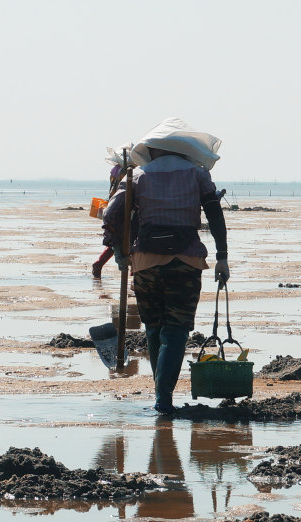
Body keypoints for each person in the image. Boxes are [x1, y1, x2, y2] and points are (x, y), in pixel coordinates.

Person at [103, 117, 228, 414]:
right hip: (186, 263)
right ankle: (163, 399)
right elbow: (214, 215)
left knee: (154, 327)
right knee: (175, 330)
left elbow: (111, 214)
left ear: (153, 150)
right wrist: (222, 257)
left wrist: (119, 250)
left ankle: (161, 395)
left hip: (145, 264)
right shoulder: (198, 175)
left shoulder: (137, 176)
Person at [92, 164, 125, 278]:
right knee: (120, 243)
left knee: (115, 242)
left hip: (115, 210)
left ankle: (99, 264)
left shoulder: (117, 171)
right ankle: (99, 264)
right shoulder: (124, 171)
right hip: (120, 213)